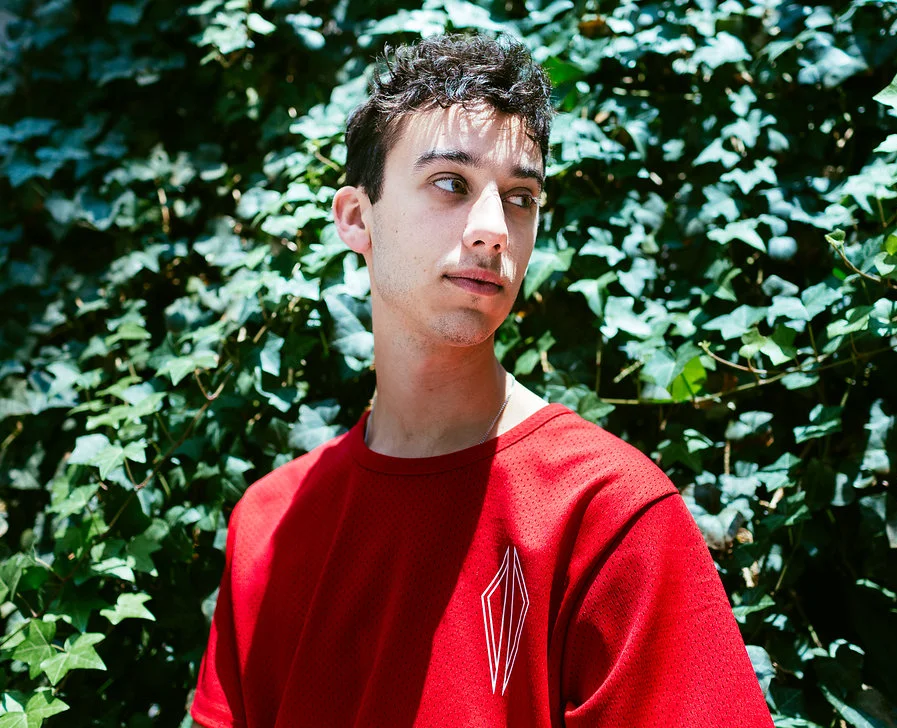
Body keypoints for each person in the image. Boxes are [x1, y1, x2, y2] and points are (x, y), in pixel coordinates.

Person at [191, 33, 774, 727]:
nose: (494, 228)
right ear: (356, 217)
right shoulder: (269, 526)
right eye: (451, 183)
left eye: (521, 197)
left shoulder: (606, 512)